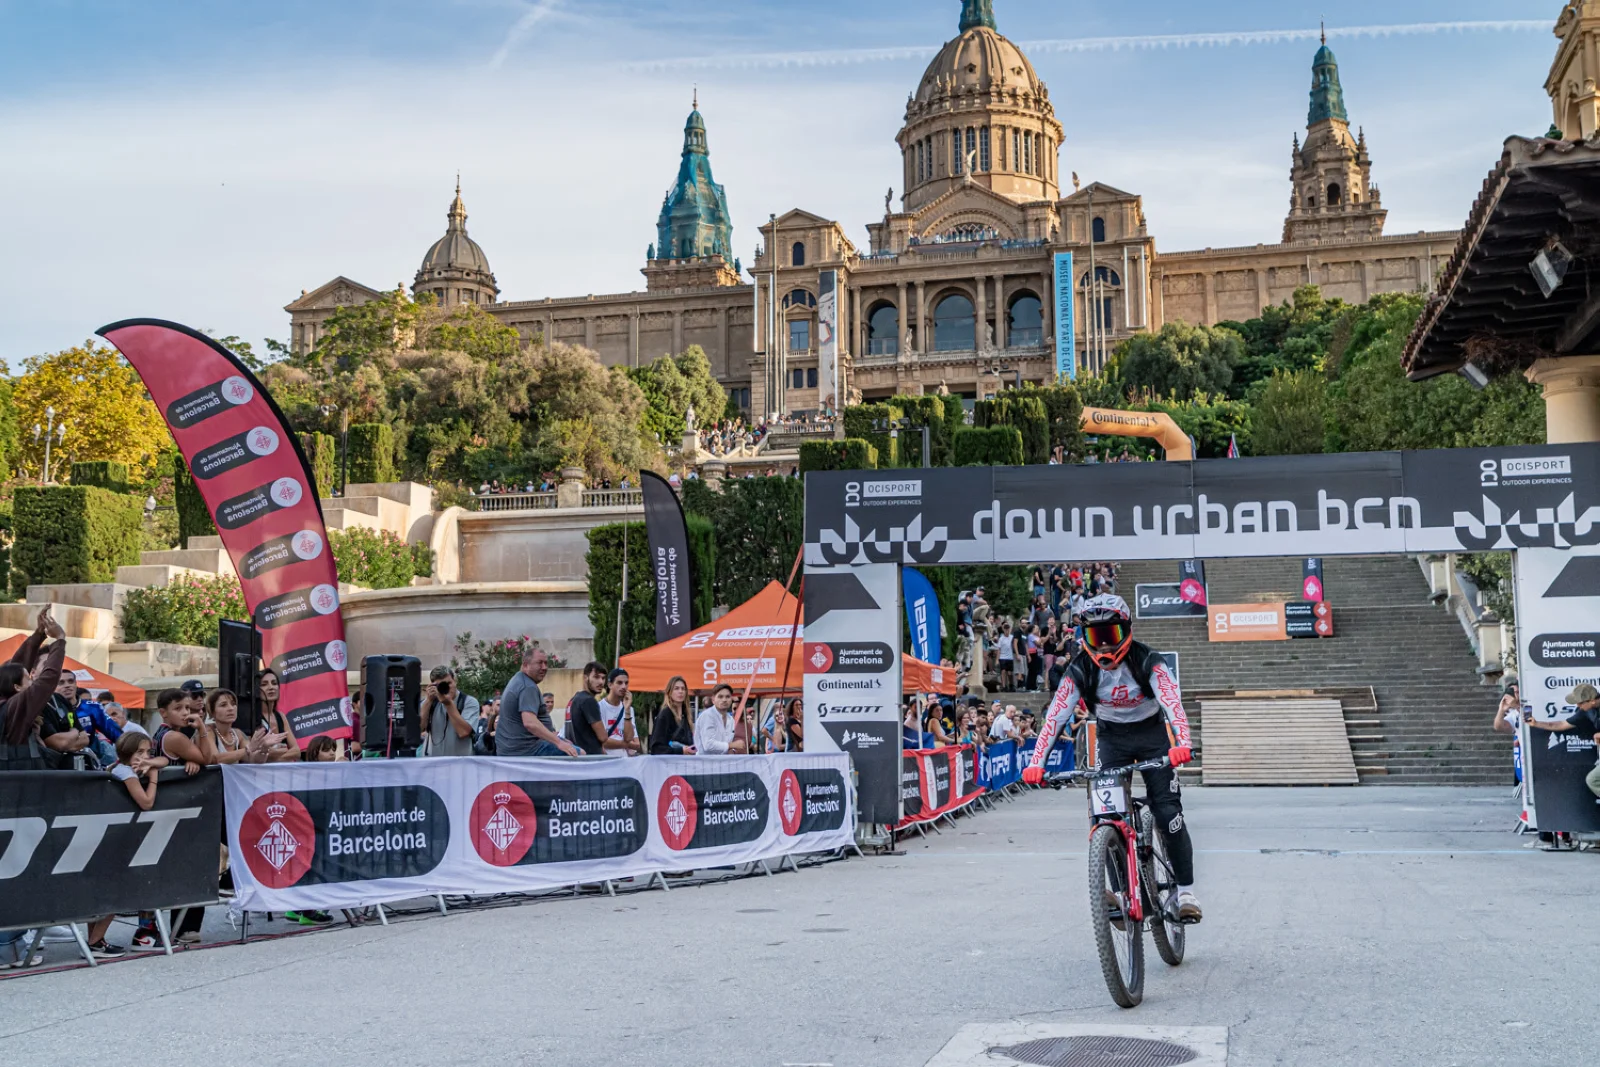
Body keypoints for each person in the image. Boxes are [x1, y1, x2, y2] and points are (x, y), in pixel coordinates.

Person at [1022, 593, 1201, 924]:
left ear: (1127, 631)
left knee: (1167, 811)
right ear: (1084, 638)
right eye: (1095, 637)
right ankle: (1120, 892)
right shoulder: (1078, 669)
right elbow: (1055, 718)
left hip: (1152, 737)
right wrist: (1037, 762)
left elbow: (1172, 703)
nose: (1104, 647)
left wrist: (1183, 742)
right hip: (1111, 740)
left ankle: (1184, 892)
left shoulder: (1149, 660)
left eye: (1111, 636)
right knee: (1105, 816)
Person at [496, 646, 580, 757]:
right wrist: (559, 743)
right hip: (526, 750)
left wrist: (557, 738)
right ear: (526, 665)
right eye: (539, 663)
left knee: (570, 745)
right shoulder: (527, 687)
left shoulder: (518, 680)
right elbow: (530, 723)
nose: (544, 667)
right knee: (580, 754)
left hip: (514, 749)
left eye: (546, 663)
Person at [1525, 683, 1600, 800]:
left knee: (1593, 779)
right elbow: (1562, 724)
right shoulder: (1586, 711)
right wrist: (1537, 723)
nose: (1577, 705)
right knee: (1593, 780)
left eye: (1580, 703)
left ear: (1592, 701)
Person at [421, 665, 481, 757]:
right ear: (432, 686)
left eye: (448, 683)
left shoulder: (469, 702)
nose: (446, 688)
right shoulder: (430, 702)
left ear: (455, 681)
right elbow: (418, 729)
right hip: (433, 763)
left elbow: (463, 732)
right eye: (440, 685)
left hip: (460, 763)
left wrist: (448, 704)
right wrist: (428, 701)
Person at [694, 683, 747, 754]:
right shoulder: (707, 716)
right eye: (720, 697)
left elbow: (726, 745)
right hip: (705, 763)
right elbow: (708, 745)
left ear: (731, 699)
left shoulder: (730, 719)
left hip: (723, 762)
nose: (724, 700)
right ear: (713, 700)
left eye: (727, 697)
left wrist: (732, 750)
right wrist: (732, 745)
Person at [1491, 673, 1524, 785]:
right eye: (1512, 693)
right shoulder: (1514, 713)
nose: (1515, 696)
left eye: (1517, 692)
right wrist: (1501, 710)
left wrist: (1517, 706)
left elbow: (1530, 719)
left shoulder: (1528, 706)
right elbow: (1498, 726)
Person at [650, 675, 696, 754]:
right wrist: (681, 750)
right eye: (676, 688)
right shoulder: (665, 715)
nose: (680, 691)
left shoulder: (686, 715)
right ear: (669, 692)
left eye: (683, 689)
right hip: (669, 764)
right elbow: (656, 748)